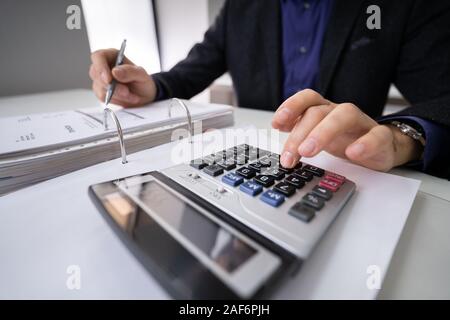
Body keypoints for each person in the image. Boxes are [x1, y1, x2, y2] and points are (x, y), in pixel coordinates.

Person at [89, 0, 450, 179]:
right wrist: (151, 87)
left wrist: (404, 136)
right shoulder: (240, 8)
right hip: (249, 164)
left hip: (350, 167)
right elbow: (194, 69)